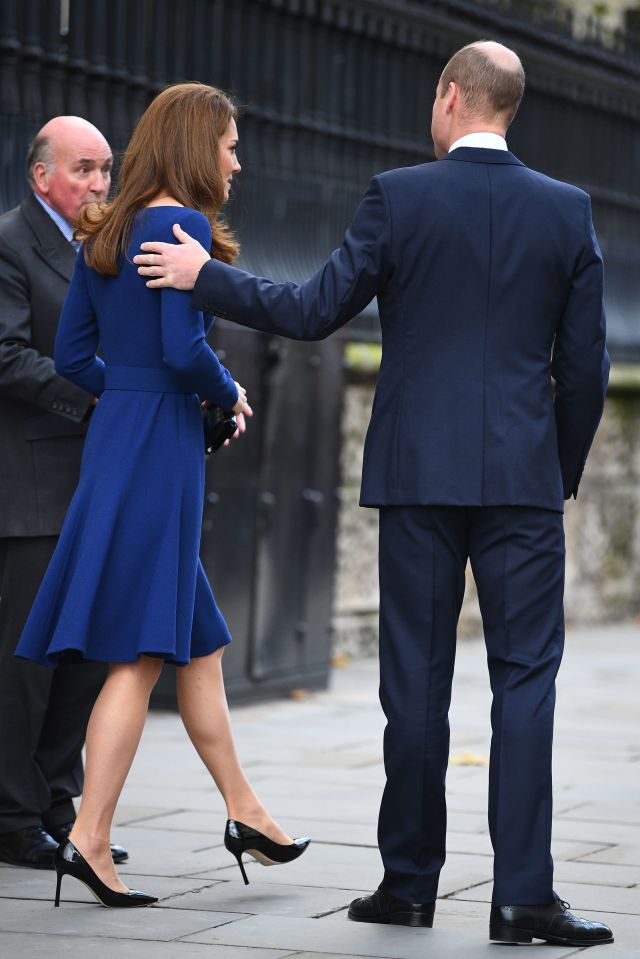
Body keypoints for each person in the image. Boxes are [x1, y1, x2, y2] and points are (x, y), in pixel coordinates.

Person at [134, 43, 613, 947]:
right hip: (522, 482)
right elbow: (585, 367)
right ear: (506, 109)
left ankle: (409, 886)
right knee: (526, 684)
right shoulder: (567, 209)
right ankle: (522, 899)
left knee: (415, 683)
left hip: (417, 476)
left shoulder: (400, 195)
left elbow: (316, 310)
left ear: (449, 98)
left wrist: (210, 280)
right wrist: (559, 469)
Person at [15, 83, 309, 908]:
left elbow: (74, 357)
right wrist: (228, 391)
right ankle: (89, 836)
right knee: (143, 654)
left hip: (125, 438)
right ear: (193, 144)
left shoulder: (106, 227)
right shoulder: (176, 225)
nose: (236, 158)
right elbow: (185, 351)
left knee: (198, 643)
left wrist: (133, 391)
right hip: (159, 450)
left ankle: (247, 811)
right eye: (229, 142)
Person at [0, 116, 128, 869]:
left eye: (106, 169)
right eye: (83, 169)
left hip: (100, 478)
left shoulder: (102, 244)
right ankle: (13, 815)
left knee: (85, 654)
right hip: (35, 482)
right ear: (40, 174)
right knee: (29, 662)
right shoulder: (11, 241)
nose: (99, 185)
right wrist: (99, 399)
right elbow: (6, 354)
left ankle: (54, 798)